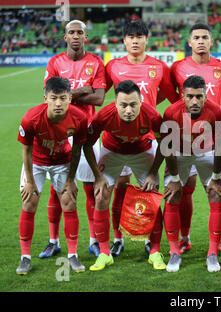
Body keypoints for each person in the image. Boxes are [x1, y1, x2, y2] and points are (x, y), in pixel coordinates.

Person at [105, 20, 178, 257]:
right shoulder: (113, 66)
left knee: (150, 190)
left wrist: (152, 113)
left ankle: (150, 240)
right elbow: (99, 94)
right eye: (131, 37)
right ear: (124, 40)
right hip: (118, 138)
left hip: (147, 138)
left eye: (140, 36)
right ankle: (117, 239)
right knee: (120, 187)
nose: (135, 41)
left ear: (147, 39)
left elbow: (173, 97)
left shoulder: (159, 67)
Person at [169, 23, 221, 256]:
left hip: (213, 139)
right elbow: (171, 97)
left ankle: (220, 240)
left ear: (211, 41)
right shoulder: (177, 67)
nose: (200, 41)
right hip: (184, 141)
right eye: (196, 37)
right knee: (184, 190)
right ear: (189, 42)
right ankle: (185, 237)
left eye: (205, 37)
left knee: (217, 191)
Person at [83, 80, 165, 271]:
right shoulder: (104, 115)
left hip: (142, 151)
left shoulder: (152, 115)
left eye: (133, 104)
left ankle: (155, 252)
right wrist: (98, 176)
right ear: (115, 103)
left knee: (152, 197)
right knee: (101, 195)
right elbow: (87, 145)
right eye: (123, 105)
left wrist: (153, 172)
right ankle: (104, 253)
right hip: (112, 151)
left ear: (141, 101)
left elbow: (165, 144)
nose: (128, 110)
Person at [41, 20, 106, 259]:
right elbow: (49, 96)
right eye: (72, 32)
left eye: (80, 32)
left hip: (88, 134)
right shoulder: (55, 62)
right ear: (65, 37)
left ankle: (93, 241)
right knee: (56, 190)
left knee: (91, 189)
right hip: (59, 134)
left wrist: (66, 94)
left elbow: (98, 99)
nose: (76, 36)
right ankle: (53, 241)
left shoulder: (96, 63)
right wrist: (80, 91)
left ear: (86, 37)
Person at [16, 77, 87, 275]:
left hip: (62, 161)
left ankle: (72, 255)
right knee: (29, 202)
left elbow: (77, 150)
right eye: (54, 98)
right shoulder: (31, 118)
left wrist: (71, 179)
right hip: (36, 163)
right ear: (45, 97)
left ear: (70, 98)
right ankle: (25, 258)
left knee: (69, 202)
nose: (58, 103)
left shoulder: (79, 117)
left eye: (63, 98)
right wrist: (30, 182)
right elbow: (26, 151)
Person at [159, 75, 221, 273]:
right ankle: (174, 251)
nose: (195, 101)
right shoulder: (171, 112)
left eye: (199, 96)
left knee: (216, 194)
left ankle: (212, 252)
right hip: (179, 153)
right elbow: (167, 148)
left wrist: (216, 178)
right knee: (173, 195)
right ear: (183, 96)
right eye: (190, 97)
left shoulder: (216, 112)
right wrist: (173, 179)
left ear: (206, 96)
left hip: (206, 152)